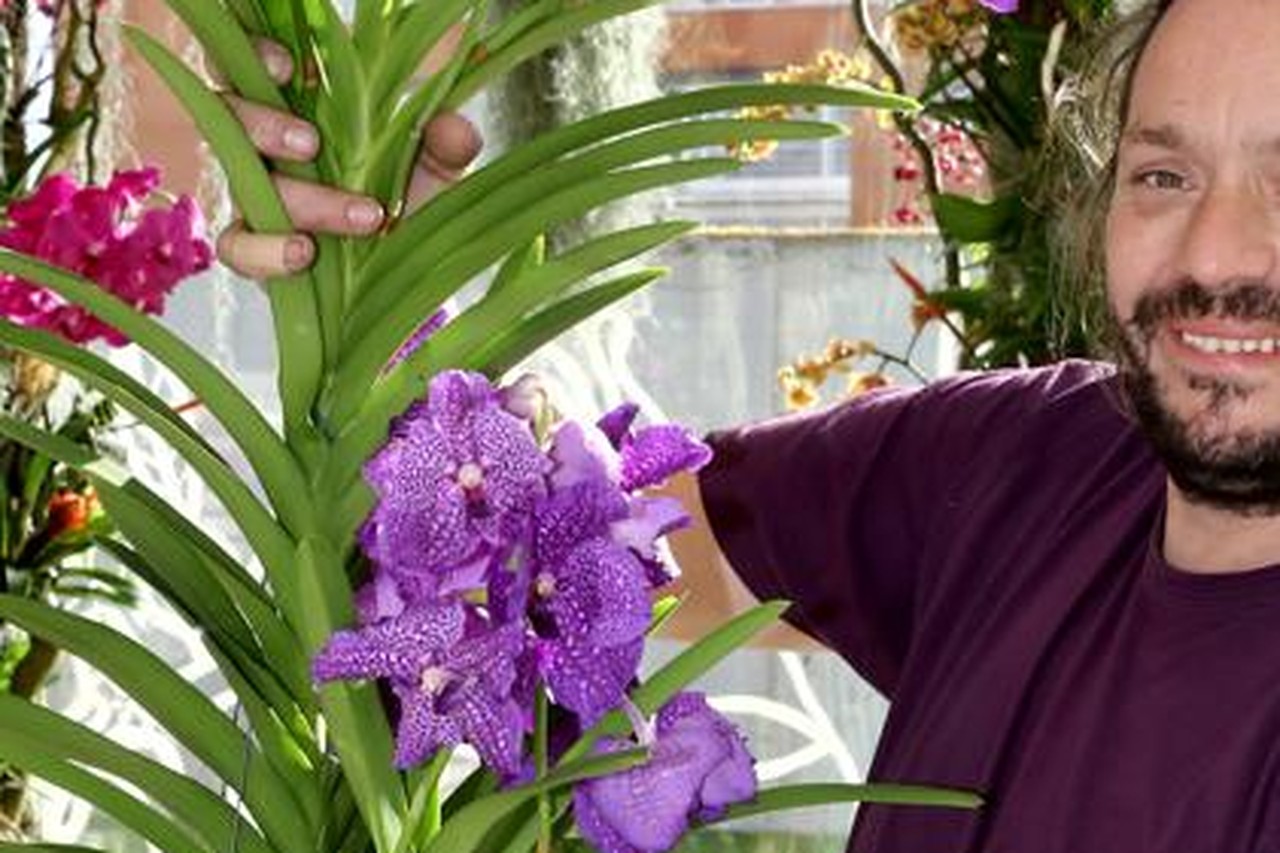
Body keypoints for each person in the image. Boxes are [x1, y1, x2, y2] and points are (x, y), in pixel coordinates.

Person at [219, 0, 1280, 849]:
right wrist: (384, 263)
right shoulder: (1027, 464)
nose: (1214, 252)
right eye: (1161, 175)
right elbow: (557, 535)